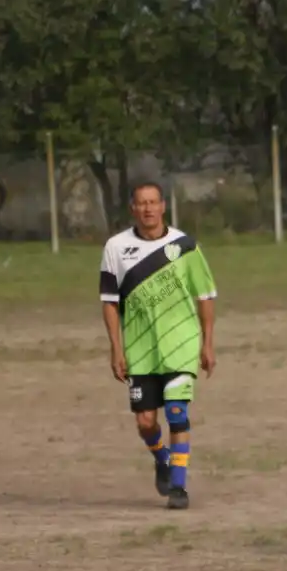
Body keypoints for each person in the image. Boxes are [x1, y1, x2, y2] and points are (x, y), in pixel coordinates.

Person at [98, 182, 217, 511]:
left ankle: (178, 487)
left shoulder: (185, 246)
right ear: (132, 208)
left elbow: (205, 295)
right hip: (140, 349)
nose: (148, 209)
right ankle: (162, 458)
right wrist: (116, 348)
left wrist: (208, 343)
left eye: (153, 202)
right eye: (141, 203)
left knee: (177, 413)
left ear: (163, 206)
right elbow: (109, 301)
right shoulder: (116, 247)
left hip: (181, 345)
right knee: (146, 423)